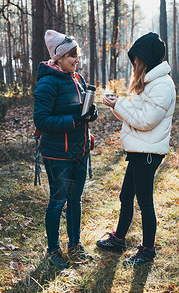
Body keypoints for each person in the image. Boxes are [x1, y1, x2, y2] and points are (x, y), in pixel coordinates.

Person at [97, 32, 176, 266]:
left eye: (137, 59)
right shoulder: (151, 82)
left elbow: (145, 121)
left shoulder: (163, 85)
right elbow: (136, 113)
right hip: (139, 151)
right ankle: (119, 238)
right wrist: (117, 105)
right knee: (126, 196)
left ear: (148, 59)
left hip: (148, 153)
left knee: (144, 201)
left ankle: (148, 249)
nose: (135, 64)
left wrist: (119, 105)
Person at [34, 30, 98, 269]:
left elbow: (82, 112)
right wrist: (74, 120)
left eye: (77, 55)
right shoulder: (47, 82)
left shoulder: (77, 78)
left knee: (75, 200)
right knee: (57, 201)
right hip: (57, 154)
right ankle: (53, 250)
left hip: (79, 151)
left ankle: (74, 244)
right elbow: (41, 120)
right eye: (72, 55)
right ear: (58, 58)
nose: (76, 59)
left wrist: (90, 115)